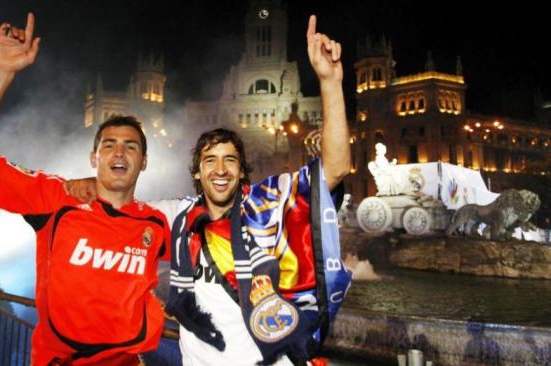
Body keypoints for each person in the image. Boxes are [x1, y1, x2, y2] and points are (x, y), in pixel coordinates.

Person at [67, 15, 352, 365]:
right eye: (210, 161)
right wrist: (90, 186)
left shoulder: (268, 202)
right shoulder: (177, 217)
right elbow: (121, 210)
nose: (219, 170)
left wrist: (330, 81)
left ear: (242, 170)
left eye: (229, 160)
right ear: (197, 173)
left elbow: (335, 169)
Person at [0, 13, 169, 365]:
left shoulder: (157, 223)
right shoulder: (56, 198)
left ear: (144, 161)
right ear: (93, 156)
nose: (119, 152)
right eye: (109, 144)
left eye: (131, 146)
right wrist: (0, 72)